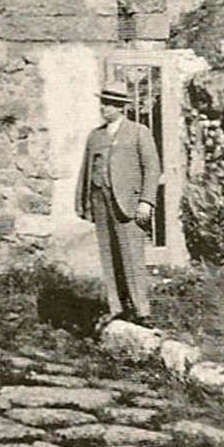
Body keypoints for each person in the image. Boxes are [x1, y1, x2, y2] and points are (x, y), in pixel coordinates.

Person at [75, 81, 161, 327]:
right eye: (103, 103)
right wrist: (83, 203)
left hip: (128, 203)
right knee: (108, 254)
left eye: (111, 104)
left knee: (132, 255)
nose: (105, 108)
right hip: (100, 200)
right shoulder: (95, 135)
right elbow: (86, 170)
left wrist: (146, 201)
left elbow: (152, 168)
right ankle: (118, 307)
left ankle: (142, 311)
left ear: (121, 107)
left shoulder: (138, 132)